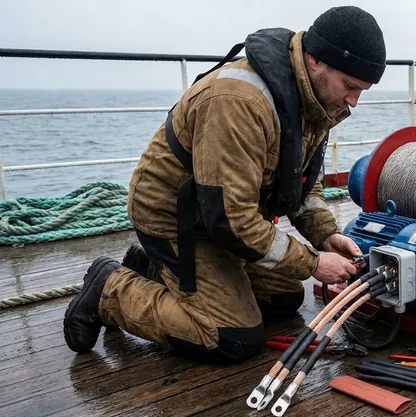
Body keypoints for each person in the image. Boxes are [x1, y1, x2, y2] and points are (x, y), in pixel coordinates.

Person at [62, 5, 387, 363]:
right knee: (232, 335)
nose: (354, 102)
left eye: (363, 91)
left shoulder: (314, 100)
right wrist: (313, 263)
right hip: (176, 219)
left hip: (219, 219)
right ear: (315, 62)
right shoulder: (239, 103)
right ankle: (110, 289)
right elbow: (234, 222)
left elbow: (302, 184)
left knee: (284, 298)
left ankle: (155, 268)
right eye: (350, 86)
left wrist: (325, 235)